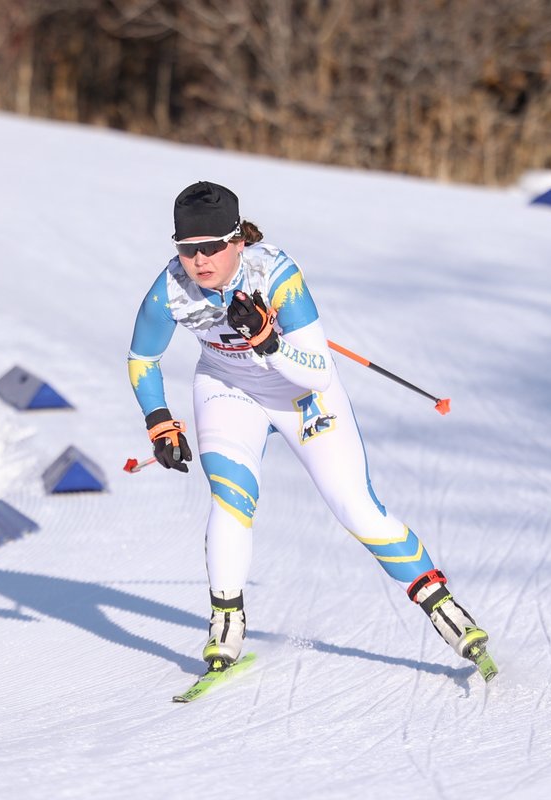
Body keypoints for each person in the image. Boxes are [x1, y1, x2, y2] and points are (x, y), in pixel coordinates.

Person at [127, 181, 495, 680]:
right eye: (188, 249)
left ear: (238, 241)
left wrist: (266, 341)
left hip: (300, 395)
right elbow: (143, 358)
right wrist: (159, 421)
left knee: (356, 509)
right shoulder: (169, 288)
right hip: (228, 387)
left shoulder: (277, 274)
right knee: (231, 499)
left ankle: (445, 609)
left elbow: (318, 373)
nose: (199, 260)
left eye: (212, 247)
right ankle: (226, 619)